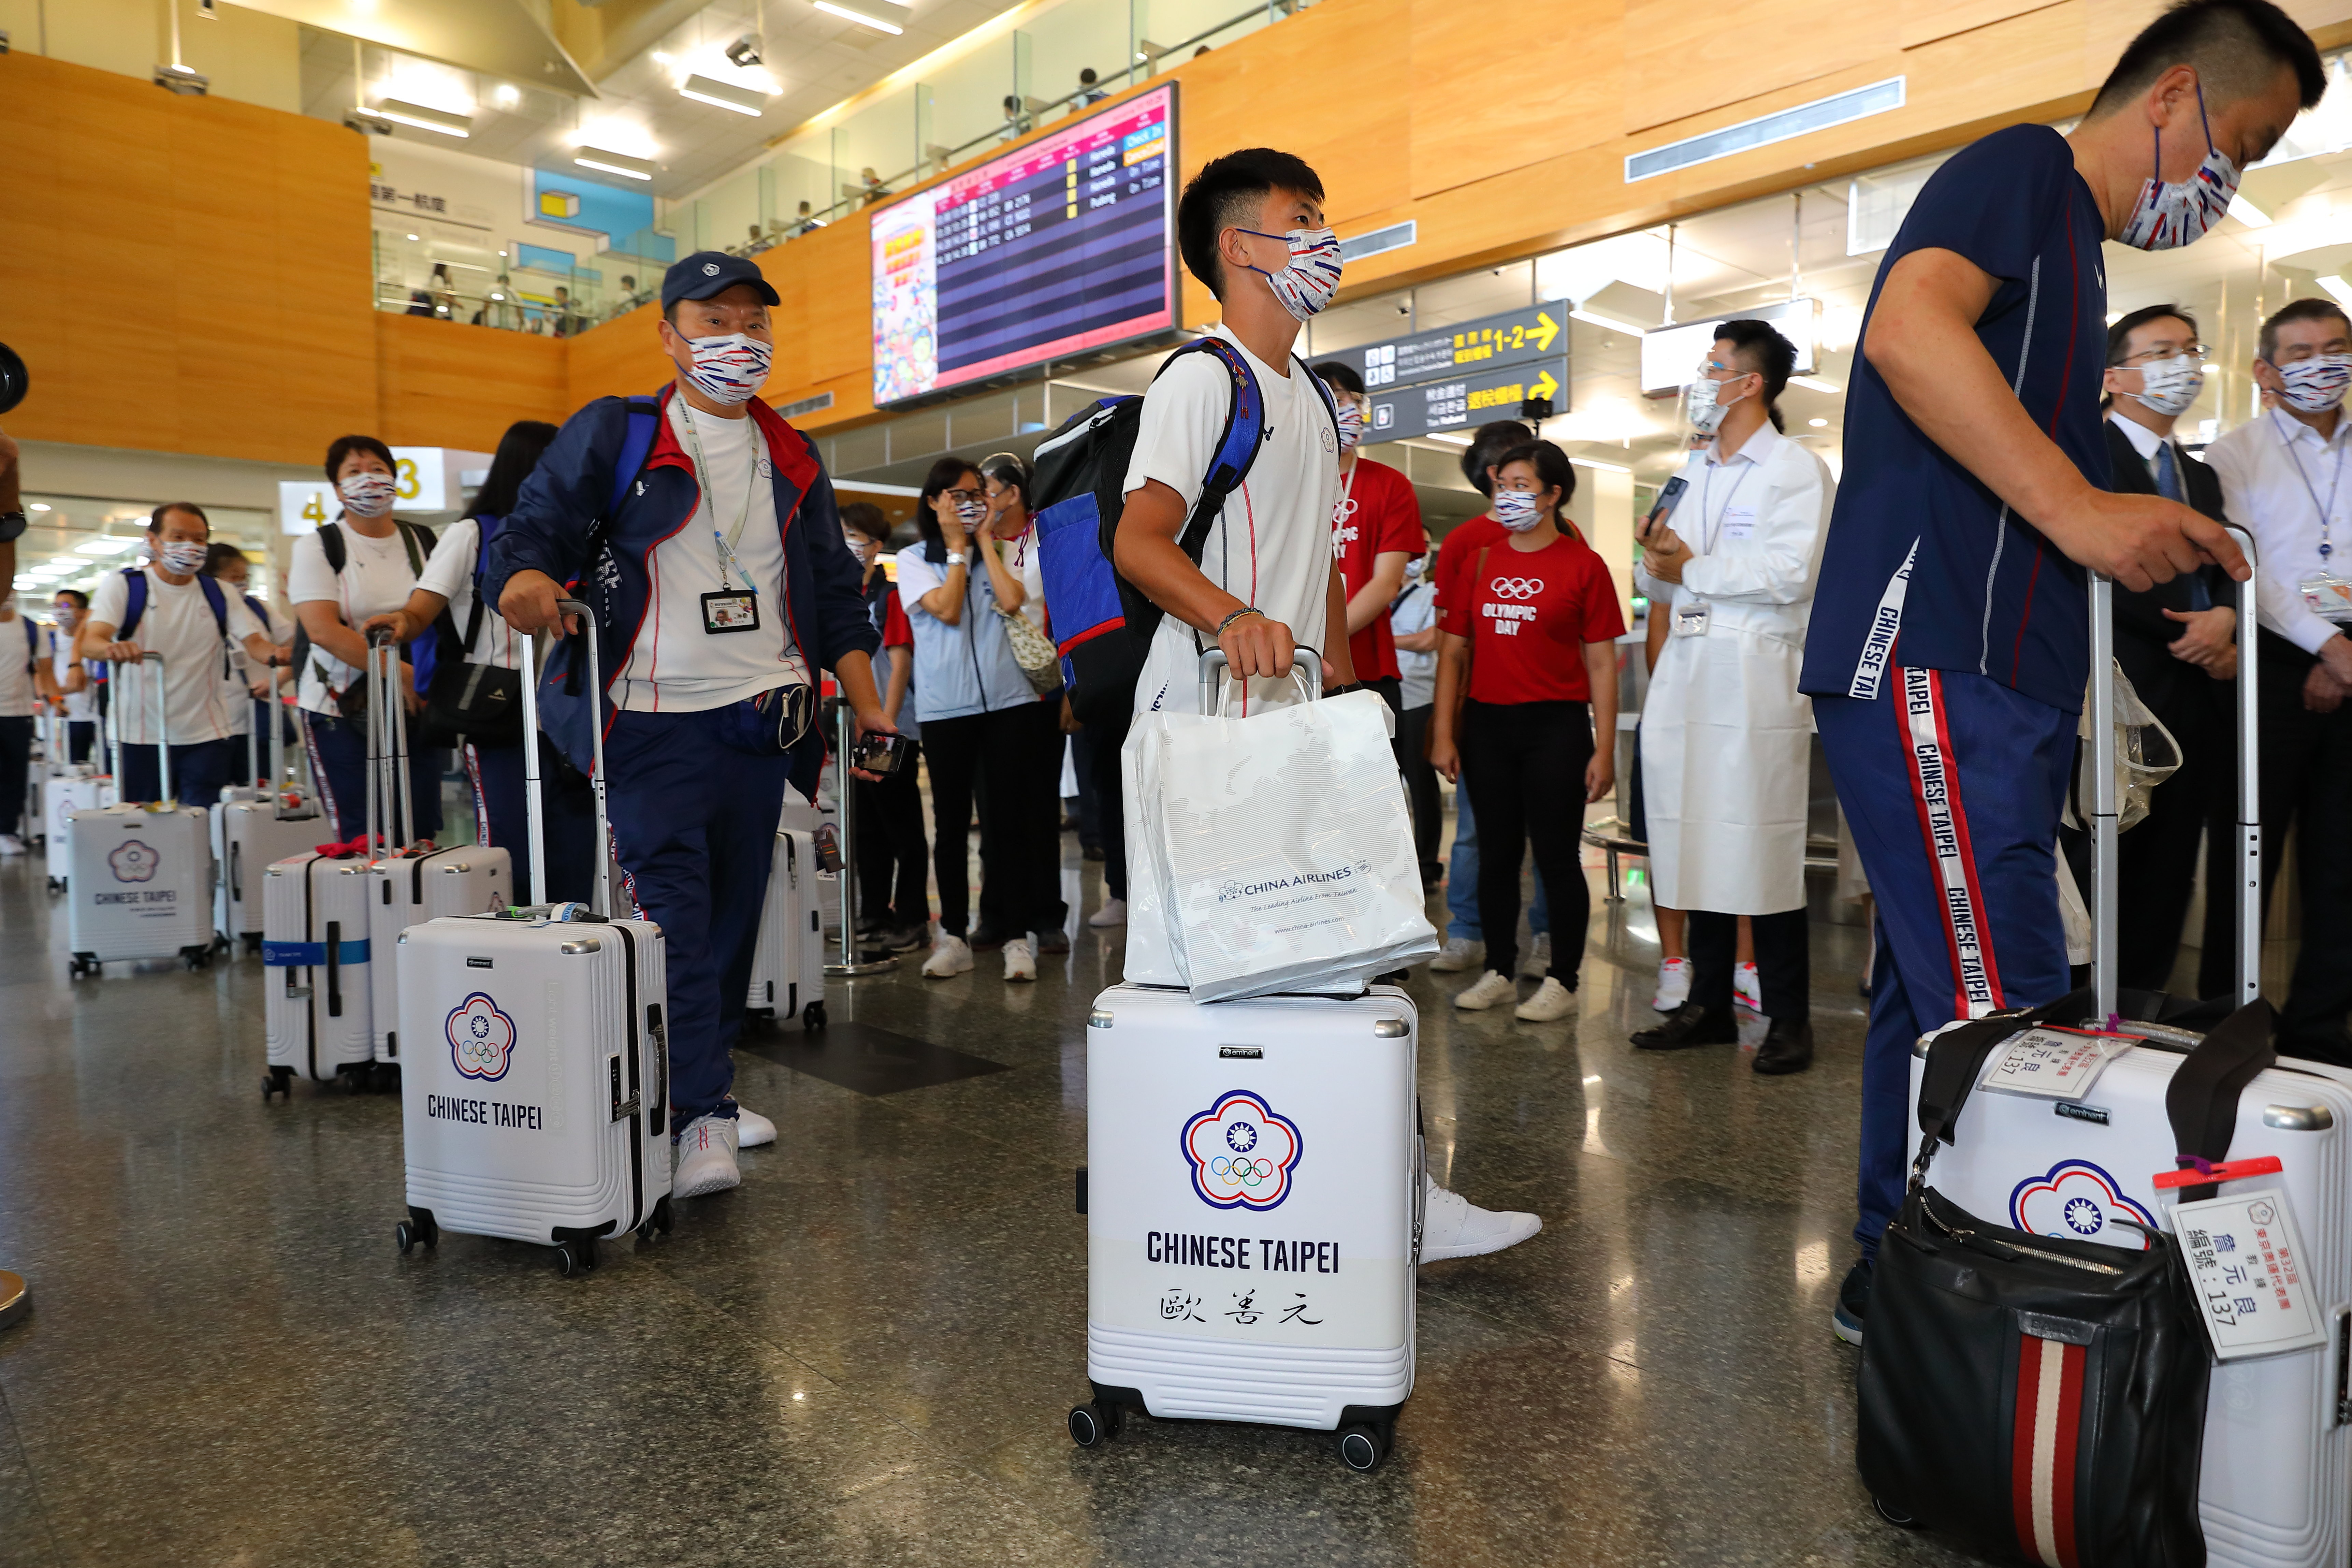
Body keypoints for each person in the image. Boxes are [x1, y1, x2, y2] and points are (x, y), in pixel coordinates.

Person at [1796, 0, 2311, 1346]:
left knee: (1933, 998)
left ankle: (1894, 1273)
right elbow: (1911, 335)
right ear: (2172, 98)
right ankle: (2009, 1320)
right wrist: (2084, 512)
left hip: (1995, 672)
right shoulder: (2020, 170)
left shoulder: (2073, 257)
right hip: (1931, 653)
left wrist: (2129, 515)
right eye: (2237, 146)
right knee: (2006, 1005)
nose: (2226, 185)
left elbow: (2012, 456)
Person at [1113, 146, 1539, 1261]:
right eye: (1300, 219)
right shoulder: (1204, 378)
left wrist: (1344, 683)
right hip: (1212, 713)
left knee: (1344, 956)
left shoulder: (1303, 391)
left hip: (1292, 713)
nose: (1323, 240)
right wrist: (1228, 616)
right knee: (1216, 972)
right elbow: (1140, 539)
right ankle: (1211, 1214)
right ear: (1238, 246)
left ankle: (1391, 1197)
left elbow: (1307, 572)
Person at [489, 250, 889, 1202]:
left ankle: (702, 1086)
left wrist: (867, 699)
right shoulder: (617, 433)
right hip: (651, 718)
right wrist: (524, 581)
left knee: (735, 919)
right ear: (668, 334)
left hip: (763, 719)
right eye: (714, 322)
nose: (737, 341)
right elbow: (532, 529)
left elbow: (834, 593)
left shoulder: (788, 450)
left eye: (753, 323)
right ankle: (697, 1111)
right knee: (674, 919)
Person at [1628, 320, 1832, 1074]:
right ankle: (1709, 1003)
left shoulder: (1794, 469)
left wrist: (1694, 566)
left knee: (1758, 837)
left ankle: (1787, 1017)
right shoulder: (1690, 472)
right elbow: (1660, 577)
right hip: (1686, 664)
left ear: (1751, 383)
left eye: (1714, 367)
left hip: (1754, 672)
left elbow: (1791, 574)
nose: (1701, 381)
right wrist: (1658, 562)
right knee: (1689, 833)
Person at [362, 419, 596, 905]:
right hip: (497, 712)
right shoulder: (473, 534)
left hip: (572, 712)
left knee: (576, 840)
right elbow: (423, 605)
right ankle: (511, 937)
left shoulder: (580, 538)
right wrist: (402, 622)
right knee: (509, 842)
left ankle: (569, 938)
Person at [1427, 440, 1622, 1021]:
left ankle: (1562, 977)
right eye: (1501, 484)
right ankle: (1498, 968)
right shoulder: (1479, 561)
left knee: (1557, 858)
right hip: (1487, 723)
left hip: (1555, 726)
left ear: (1552, 494)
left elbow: (1600, 665)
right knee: (1495, 853)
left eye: (1520, 485)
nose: (1507, 496)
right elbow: (1453, 654)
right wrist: (1443, 732)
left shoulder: (1582, 565)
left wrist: (1605, 749)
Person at [2203, 296, 2352, 1049]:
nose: (2322, 364)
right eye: (2301, 353)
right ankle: (2228, 1019)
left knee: (2342, 859)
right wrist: (2328, 646)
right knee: (2249, 848)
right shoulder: (2233, 453)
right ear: (2266, 369)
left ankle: (2323, 1030)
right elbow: (2244, 568)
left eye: (2335, 348)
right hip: (2270, 658)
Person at [2095, 304, 2241, 994]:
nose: (2183, 365)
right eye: (2161, 352)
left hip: (2195, 703)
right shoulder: (2083, 458)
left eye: (2190, 350)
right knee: (2106, 871)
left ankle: (2143, 1014)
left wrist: (2226, 626)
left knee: (2168, 875)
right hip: (2117, 698)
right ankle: (2085, 1022)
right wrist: (2194, 628)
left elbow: (2223, 573)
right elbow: (2096, 569)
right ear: (2115, 375)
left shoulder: (2201, 476)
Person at [898, 456, 1064, 982]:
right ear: (933, 501)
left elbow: (1014, 600)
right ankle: (953, 935)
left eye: (976, 493)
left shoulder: (996, 551)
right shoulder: (912, 559)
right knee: (949, 826)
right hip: (946, 707)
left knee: (1006, 824)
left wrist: (985, 540)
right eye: (956, 495)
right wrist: (954, 547)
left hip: (1009, 702)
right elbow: (946, 609)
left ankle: (1017, 937)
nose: (968, 503)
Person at [1428, 418, 1552, 977]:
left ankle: (1547, 934)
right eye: (1507, 474)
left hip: (1548, 710)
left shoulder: (1563, 536)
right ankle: (1466, 931)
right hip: (1483, 709)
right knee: (1476, 832)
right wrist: (1444, 730)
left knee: (1550, 835)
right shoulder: (1463, 543)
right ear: (1488, 476)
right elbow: (1450, 644)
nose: (1516, 488)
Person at [288, 434, 445, 844]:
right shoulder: (320, 545)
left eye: (377, 469)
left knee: (419, 830)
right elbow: (322, 629)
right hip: (339, 707)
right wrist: (403, 674)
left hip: (417, 707)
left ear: (395, 479)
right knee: (364, 833)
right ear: (338, 490)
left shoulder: (424, 542)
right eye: (354, 473)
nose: (368, 480)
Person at [80, 504, 279, 805]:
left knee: (200, 824)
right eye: (179, 537)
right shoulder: (125, 585)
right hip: (139, 733)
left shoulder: (220, 592)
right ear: (154, 540)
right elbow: (91, 641)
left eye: (199, 540)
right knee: (144, 826)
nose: (190, 547)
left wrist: (285, 655)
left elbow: (255, 643)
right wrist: (112, 648)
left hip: (207, 734)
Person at [977, 451, 1073, 952]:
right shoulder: (977, 545)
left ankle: (1046, 916)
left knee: (1038, 807)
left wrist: (1072, 692)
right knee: (992, 808)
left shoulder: (1049, 538)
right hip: (988, 693)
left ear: (1013, 493)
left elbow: (1066, 613)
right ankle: (997, 915)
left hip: (1042, 687)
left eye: (986, 492)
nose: (979, 503)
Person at [1312, 360, 1427, 754]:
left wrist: (1321, 640)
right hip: (1293, 674)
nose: (1350, 409)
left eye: (1356, 399)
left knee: (1374, 805)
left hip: (1368, 672)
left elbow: (1386, 584)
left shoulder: (1390, 485)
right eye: (1336, 398)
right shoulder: (1288, 480)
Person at [842, 502, 930, 952]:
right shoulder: (842, 596)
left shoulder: (889, 595)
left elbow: (899, 664)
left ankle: (913, 918)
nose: (847, 545)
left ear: (876, 546)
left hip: (889, 729)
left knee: (902, 828)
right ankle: (874, 913)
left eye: (855, 537)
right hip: (855, 730)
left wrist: (887, 729)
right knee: (868, 830)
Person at [202, 541, 291, 786]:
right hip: (212, 724)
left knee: (262, 791)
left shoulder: (257, 608)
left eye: (245, 577)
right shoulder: (200, 610)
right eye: (234, 578)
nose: (242, 585)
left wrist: (281, 679)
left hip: (259, 720)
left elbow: (298, 647)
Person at [1389, 552, 1443, 885]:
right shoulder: (1376, 591)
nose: (1416, 556)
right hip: (1380, 698)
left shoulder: (1432, 593)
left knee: (1422, 787)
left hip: (1418, 700)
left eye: (1424, 550)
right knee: (1383, 785)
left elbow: (1430, 640)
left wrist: (1381, 641)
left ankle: (1426, 866)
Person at [0, 590, 35, 850]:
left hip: (17, 713)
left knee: (14, 775)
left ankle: (6, 830)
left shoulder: (31, 629)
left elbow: (43, 670)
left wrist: (55, 698)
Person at [45, 590, 97, 765]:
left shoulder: (93, 639)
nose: (60, 611)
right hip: (69, 718)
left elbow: (78, 684)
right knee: (73, 771)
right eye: (56, 606)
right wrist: (54, 696)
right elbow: (41, 674)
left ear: (83, 612)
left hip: (95, 716)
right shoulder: (51, 640)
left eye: (66, 606)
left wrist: (52, 693)